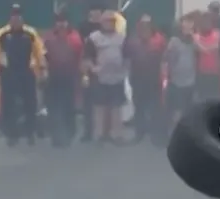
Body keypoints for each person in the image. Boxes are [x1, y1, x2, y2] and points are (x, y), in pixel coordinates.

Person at [0, 4, 45, 146]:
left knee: (30, 103)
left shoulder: (30, 33)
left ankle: (30, 133)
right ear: (10, 18)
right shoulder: (2, 34)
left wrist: (43, 70)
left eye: (18, 16)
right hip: (8, 72)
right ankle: (11, 135)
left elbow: (40, 52)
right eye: (14, 16)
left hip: (26, 71)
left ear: (22, 18)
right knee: (8, 105)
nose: (16, 19)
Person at [83, 10, 128, 144]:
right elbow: (87, 57)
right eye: (107, 21)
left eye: (112, 21)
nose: (110, 23)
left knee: (116, 107)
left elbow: (127, 56)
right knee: (99, 107)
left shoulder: (121, 38)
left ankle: (117, 135)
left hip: (117, 77)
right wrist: (93, 68)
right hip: (100, 78)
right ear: (102, 22)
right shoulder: (93, 38)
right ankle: (100, 135)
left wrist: (125, 69)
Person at [42, 12, 83, 147]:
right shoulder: (48, 37)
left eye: (63, 21)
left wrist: (81, 74)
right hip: (53, 77)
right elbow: (42, 55)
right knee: (53, 108)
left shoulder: (75, 37)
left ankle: (70, 133)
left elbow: (80, 56)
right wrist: (43, 72)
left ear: (67, 22)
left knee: (68, 107)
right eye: (59, 21)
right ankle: (56, 136)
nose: (61, 24)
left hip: (70, 77)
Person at [125, 14, 165, 143]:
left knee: (155, 108)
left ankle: (156, 134)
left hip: (154, 79)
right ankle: (139, 133)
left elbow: (164, 58)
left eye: (148, 24)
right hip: (137, 78)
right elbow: (126, 56)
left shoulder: (160, 39)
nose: (145, 26)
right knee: (139, 107)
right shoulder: (132, 39)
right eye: (143, 24)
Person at [165, 15, 197, 126]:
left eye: (190, 24)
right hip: (176, 81)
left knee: (188, 109)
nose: (188, 27)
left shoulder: (195, 40)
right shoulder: (174, 41)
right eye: (186, 24)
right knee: (177, 110)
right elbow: (167, 58)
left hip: (191, 80)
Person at [78, 4, 103, 142]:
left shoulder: (105, 27)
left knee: (102, 102)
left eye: (98, 11)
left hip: (103, 69)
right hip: (86, 68)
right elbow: (79, 46)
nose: (96, 14)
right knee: (87, 101)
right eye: (94, 11)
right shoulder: (83, 27)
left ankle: (102, 132)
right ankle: (88, 131)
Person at [194, 12, 220, 101]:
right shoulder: (196, 36)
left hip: (215, 73)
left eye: (208, 21)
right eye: (204, 21)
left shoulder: (217, 33)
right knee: (203, 99)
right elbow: (200, 49)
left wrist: (204, 47)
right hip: (202, 73)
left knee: (216, 99)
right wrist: (207, 48)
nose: (206, 23)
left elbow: (216, 46)